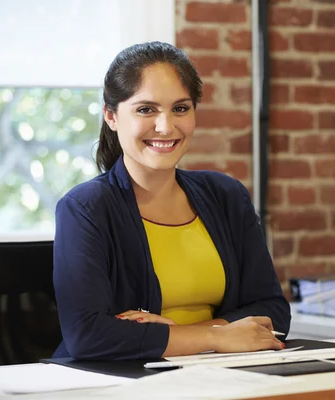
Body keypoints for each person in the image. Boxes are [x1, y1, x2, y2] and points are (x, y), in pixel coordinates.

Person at [52, 41, 291, 360]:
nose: (165, 127)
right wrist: (216, 336)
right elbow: (87, 335)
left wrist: (186, 337)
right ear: (111, 116)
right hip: (116, 385)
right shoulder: (85, 207)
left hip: (216, 377)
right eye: (145, 109)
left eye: (180, 108)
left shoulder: (226, 195)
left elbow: (273, 310)